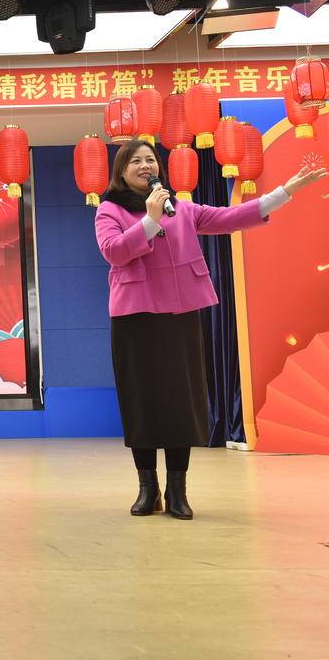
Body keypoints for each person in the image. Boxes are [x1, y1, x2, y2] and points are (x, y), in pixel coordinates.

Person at [95, 138, 325, 519]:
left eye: (150, 159)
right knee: (142, 401)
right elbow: (114, 251)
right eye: (135, 161)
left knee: (181, 402)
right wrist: (150, 220)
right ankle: (148, 489)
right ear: (121, 171)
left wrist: (285, 192)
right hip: (135, 318)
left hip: (181, 315)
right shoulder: (109, 210)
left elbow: (231, 218)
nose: (145, 166)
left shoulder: (181, 209)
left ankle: (178, 490)